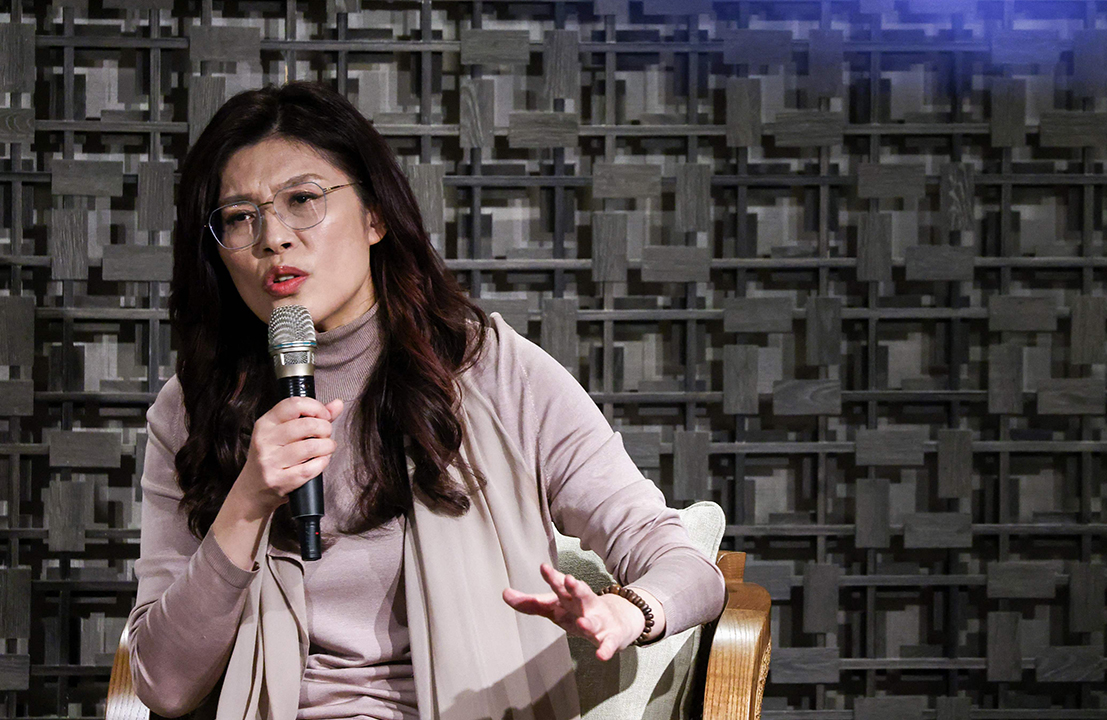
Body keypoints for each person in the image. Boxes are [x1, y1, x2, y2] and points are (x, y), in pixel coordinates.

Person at [127, 81, 725, 720]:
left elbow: (685, 566)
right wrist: (247, 501)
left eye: (302, 199)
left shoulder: (496, 373)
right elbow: (164, 684)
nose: (272, 237)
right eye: (240, 217)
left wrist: (627, 611)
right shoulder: (194, 407)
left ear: (375, 217)